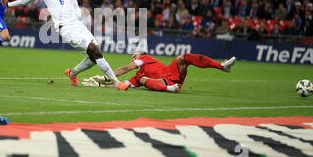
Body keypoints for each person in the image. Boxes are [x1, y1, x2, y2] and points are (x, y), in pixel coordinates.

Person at [0, 0, 120, 87]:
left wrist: (81, 20)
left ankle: (72, 73)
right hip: (67, 28)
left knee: (95, 57)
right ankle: (117, 83)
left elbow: (75, 6)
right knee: (95, 50)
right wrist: (9, 5)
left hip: (79, 26)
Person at [82, 52, 236, 92]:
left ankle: (221, 66)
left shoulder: (145, 58)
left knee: (182, 58)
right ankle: (170, 88)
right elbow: (122, 85)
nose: (133, 58)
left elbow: (125, 68)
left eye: (134, 56)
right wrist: (101, 86)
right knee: (141, 81)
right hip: (165, 82)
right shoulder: (137, 77)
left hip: (171, 73)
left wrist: (106, 77)